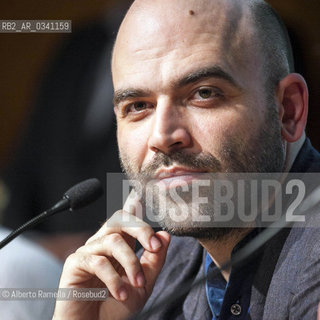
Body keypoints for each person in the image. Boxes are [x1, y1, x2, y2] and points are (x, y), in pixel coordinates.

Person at [53, 0, 320, 319]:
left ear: (288, 110)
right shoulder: (153, 274)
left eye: (204, 93)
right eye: (138, 106)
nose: (162, 137)